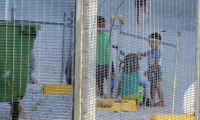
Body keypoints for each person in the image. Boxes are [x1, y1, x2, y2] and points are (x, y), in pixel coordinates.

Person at [140, 33, 166, 107]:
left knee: (157, 86)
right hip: (151, 69)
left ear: (159, 43)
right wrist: (139, 54)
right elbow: (146, 54)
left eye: (153, 42)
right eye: (150, 42)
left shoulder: (157, 51)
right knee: (152, 86)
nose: (151, 44)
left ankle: (162, 101)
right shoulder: (151, 51)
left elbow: (156, 64)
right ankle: (152, 101)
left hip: (155, 70)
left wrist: (149, 71)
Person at [96, 16, 110, 98]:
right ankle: (101, 93)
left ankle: (111, 92)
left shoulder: (106, 35)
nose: (102, 27)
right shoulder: (94, 36)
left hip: (108, 60)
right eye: (100, 25)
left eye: (103, 25)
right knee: (99, 80)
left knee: (111, 78)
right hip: (98, 61)